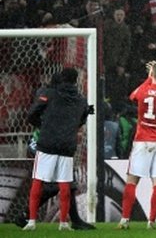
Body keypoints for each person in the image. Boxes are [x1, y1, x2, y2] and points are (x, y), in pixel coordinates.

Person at [23, 68, 92, 232]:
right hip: (67, 146)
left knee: (38, 182)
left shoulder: (50, 94)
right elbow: (81, 120)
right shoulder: (81, 100)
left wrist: (45, 126)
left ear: (61, 78)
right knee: (65, 185)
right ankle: (63, 223)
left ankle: (31, 221)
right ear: (76, 81)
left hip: (47, 144)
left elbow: (31, 114)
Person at [119, 61, 156, 229]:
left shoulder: (144, 90)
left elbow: (132, 96)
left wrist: (148, 77)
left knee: (132, 180)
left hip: (143, 141)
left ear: (153, 74)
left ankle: (124, 220)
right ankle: (151, 221)